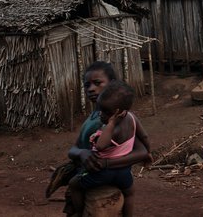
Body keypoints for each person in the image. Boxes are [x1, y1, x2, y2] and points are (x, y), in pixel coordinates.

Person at [45, 61, 151, 215]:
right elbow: (74, 149)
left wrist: (107, 163)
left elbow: (141, 151)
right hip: (87, 178)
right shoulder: (93, 118)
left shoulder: (116, 121)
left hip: (102, 187)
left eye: (97, 83)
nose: (91, 89)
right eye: (87, 85)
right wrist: (82, 153)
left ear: (113, 85)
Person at [68, 80, 150, 217]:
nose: (101, 115)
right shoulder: (132, 118)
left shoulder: (108, 129)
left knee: (74, 184)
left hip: (102, 172)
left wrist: (111, 123)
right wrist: (149, 152)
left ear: (120, 113)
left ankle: (78, 211)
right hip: (124, 172)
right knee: (130, 193)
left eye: (105, 112)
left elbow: (100, 146)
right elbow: (145, 137)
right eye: (100, 110)